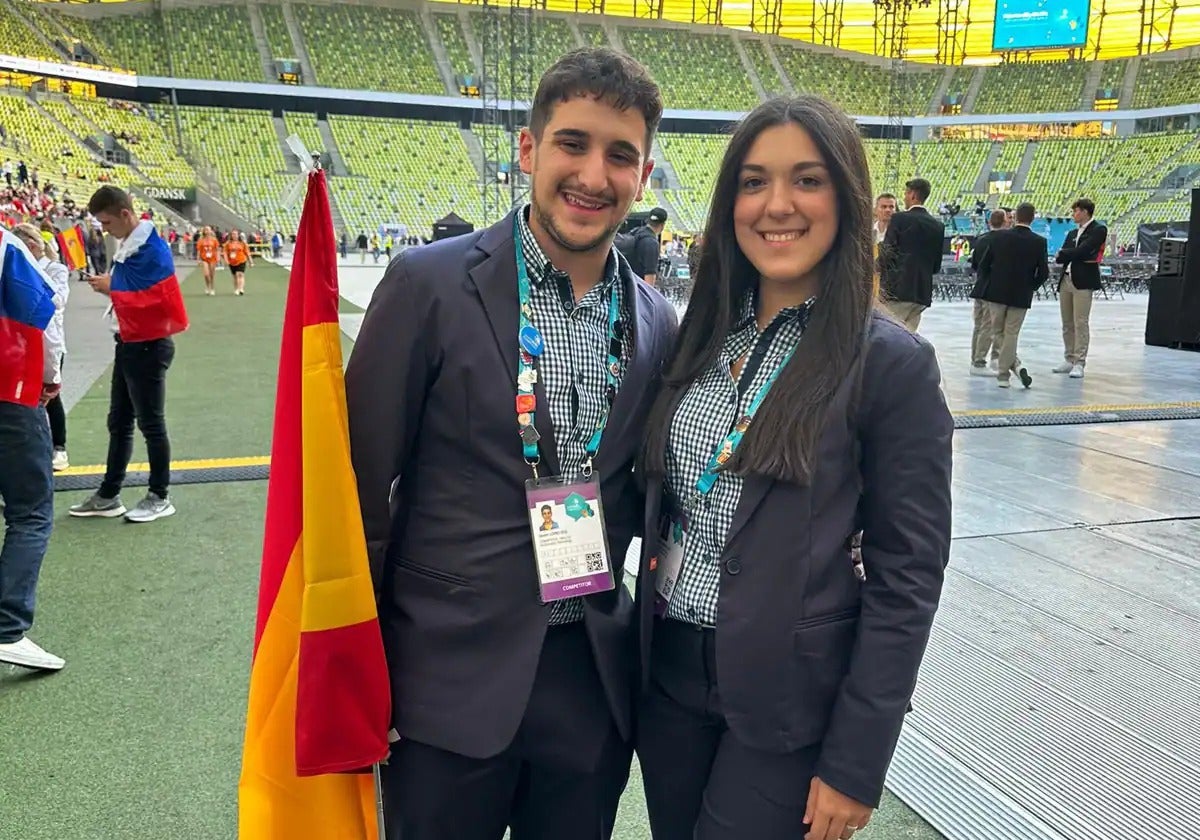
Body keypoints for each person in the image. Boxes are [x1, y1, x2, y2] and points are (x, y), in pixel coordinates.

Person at [345, 47, 677, 839]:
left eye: (620, 155)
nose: (594, 175)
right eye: (573, 143)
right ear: (529, 151)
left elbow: (641, 493)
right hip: (443, 679)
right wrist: (359, 670)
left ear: (644, 174)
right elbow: (357, 489)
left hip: (588, 682)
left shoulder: (657, 323)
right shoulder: (427, 283)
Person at [635, 96, 954, 840]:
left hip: (786, 700)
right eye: (753, 182)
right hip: (671, 677)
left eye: (806, 181)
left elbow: (908, 577)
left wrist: (857, 760)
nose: (777, 205)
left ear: (844, 197)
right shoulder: (699, 338)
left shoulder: (889, 365)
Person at [69, 186, 189, 523]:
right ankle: (109, 495)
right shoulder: (135, 246)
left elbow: (158, 300)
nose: (104, 229)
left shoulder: (150, 250)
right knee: (119, 422)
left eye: (106, 222)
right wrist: (114, 286)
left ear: (125, 214)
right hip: (131, 343)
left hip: (148, 345)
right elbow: (138, 292)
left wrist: (112, 287)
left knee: (150, 424)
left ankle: (159, 495)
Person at [0, 229, 65, 671]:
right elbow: (42, 315)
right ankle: (6, 628)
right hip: (8, 391)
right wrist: (50, 375)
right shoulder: (8, 246)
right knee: (30, 512)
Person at [13, 223, 70, 469]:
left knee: (49, 398)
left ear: (32, 246)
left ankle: (59, 447)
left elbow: (57, 300)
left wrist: (30, 276)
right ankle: (32, 453)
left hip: (51, 344)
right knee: (23, 400)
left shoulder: (55, 269)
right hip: (21, 345)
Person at [977, 202, 1047, 389]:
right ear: (1033, 218)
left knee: (997, 332)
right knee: (1012, 334)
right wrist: (1030, 287)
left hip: (996, 293)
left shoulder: (999, 237)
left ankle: (1009, 370)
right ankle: (1007, 371)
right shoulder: (1039, 241)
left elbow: (983, 266)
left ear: (1015, 217)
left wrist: (991, 283)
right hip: (1021, 296)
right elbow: (1043, 273)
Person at [877, 177, 944, 332]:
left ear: (913, 195)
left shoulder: (899, 219)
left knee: (890, 335)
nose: (904, 197)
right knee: (909, 337)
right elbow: (936, 266)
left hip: (897, 290)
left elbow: (888, 251)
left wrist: (873, 268)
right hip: (921, 293)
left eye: (906, 194)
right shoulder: (937, 226)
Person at [1053, 198, 1107, 379]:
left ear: (1085, 211)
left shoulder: (1098, 229)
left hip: (1083, 281)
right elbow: (1063, 255)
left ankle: (1079, 361)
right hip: (1066, 279)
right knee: (1067, 322)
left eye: (1076, 211)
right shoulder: (1072, 233)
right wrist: (1066, 254)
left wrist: (1066, 254)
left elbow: (1085, 251)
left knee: (1080, 322)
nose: (1073, 214)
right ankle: (1069, 358)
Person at [968, 209, 1006, 376]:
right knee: (988, 325)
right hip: (993, 288)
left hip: (980, 285)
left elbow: (975, 264)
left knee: (978, 325)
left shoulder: (981, 239)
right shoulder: (1003, 241)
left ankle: (974, 357)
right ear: (1005, 222)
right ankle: (980, 361)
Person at [223, 229, 252, 296]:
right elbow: (225, 252)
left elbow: (247, 252)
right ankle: (236, 289)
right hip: (232, 261)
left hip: (241, 260)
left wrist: (250, 261)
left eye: (236, 234)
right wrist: (226, 260)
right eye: (233, 234)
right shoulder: (228, 243)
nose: (234, 235)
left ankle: (241, 289)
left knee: (240, 274)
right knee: (235, 276)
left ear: (238, 235)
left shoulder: (242, 243)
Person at [196, 226, 220, 295]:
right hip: (204, 259)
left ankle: (212, 288)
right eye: (205, 230)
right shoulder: (201, 240)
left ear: (210, 231)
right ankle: (207, 286)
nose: (207, 231)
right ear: (204, 231)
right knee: (206, 274)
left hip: (212, 258)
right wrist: (198, 259)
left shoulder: (214, 240)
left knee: (211, 275)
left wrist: (218, 257)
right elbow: (199, 250)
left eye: (208, 230)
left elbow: (217, 249)